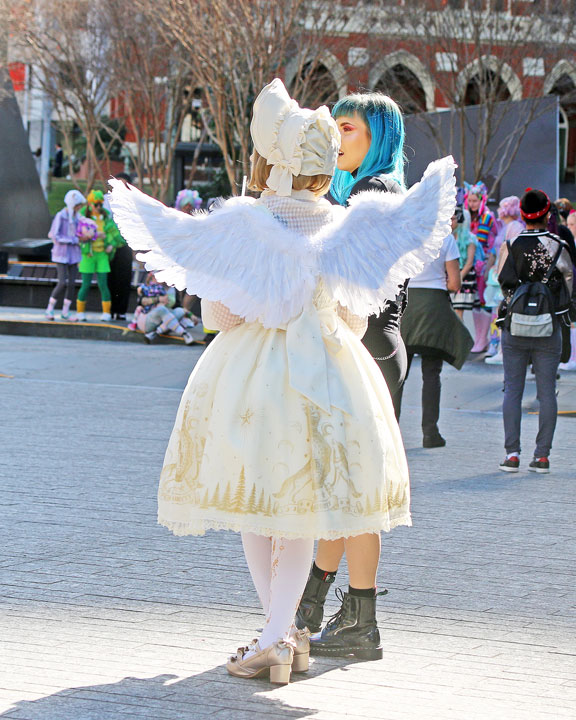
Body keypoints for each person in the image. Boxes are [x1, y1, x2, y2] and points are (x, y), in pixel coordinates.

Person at [108, 78, 455, 682]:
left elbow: (219, 314)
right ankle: (283, 633)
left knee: (256, 505)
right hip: (331, 373)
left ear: (271, 162)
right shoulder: (347, 222)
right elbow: (354, 314)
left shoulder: (250, 221)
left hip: (252, 378)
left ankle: (278, 633)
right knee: (304, 508)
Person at [295, 91, 412, 655]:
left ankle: (355, 619)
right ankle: (315, 605)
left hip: (367, 348)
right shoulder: (371, 189)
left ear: (378, 139)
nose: (337, 140)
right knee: (345, 489)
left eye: (349, 130)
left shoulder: (374, 192)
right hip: (374, 346)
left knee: (353, 492)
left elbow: (343, 277)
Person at [497, 189, 573, 474]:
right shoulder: (557, 244)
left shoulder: (512, 243)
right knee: (547, 393)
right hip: (548, 324)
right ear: (546, 213)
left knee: (512, 390)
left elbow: (504, 282)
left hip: (515, 325)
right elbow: (568, 281)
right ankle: (542, 456)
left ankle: (512, 453)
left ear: (523, 214)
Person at [396, 213, 473, 447]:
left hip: (406, 309)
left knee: (397, 374)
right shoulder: (445, 238)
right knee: (431, 374)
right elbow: (454, 283)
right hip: (434, 307)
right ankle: (430, 433)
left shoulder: (405, 236)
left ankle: (391, 432)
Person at [484, 196, 524, 363]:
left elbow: (511, 252)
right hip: (498, 275)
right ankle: (496, 345)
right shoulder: (506, 226)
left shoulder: (514, 227)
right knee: (497, 312)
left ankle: (502, 349)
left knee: (502, 312)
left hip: (504, 277)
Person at [76, 190, 122, 321]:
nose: (98, 207)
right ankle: (80, 312)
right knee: (85, 284)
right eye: (96, 204)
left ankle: (106, 313)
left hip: (102, 254)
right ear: (90, 204)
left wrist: (111, 244)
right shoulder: (83, 218)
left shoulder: (106, 217)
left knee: (103, 284)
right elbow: (79, 236)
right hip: (89, 254)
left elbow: (115, 234)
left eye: (100, 204)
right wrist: (95, 235)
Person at [465, 182, 496, 352]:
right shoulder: (469, 218)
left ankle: (484, 339)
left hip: (484, 265)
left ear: (482, 200)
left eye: (475, 201)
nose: (471, 204)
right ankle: (479, 338)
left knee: (484, 301)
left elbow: (486, 242)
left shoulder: (487, 218)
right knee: (475, 302)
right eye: (469, 200)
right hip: (472, 265)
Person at [45, 190, 85, 320]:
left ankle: (65, 312)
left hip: (74, 255)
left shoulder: (78, 218)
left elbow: (79, 233)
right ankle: (50, 309)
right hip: (61, 254)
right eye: (78, 205)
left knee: (72, 283)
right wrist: (72, 240)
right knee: (62, 282)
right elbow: (54, 235)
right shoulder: (60, 216)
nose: (79, 208)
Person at [133, 273, 197, 345]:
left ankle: (155, 333)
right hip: (146, 321)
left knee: (180, 311)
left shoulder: (173, 289)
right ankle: (184, 333)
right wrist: (158, 299)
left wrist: (190, 315)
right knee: (162, 309)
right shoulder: (149, 287)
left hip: (164, 322)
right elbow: (141, 302)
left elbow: (178, 307)